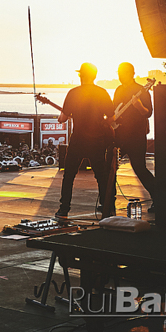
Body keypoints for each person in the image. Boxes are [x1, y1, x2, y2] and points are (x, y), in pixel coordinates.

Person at [56, 63, 116, 218]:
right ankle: (107, 208)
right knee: (101, 176)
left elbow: (63, 118)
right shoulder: (102, 92)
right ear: (94, 76)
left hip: (78, 140)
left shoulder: (73, 93)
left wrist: (60, 117)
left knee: (69, 176)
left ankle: (64, 210)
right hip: (97, 141)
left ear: (80, 75)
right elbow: (112, 117)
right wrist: (101, 122)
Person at [111, 62, 156, 208]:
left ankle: (158, 197)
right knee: (111, 167)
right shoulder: (118, 90)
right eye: (118, 73)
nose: (120, 76)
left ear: (132, 73)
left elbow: (148, 113)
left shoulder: (142, 90)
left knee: (139, 168)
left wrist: (139, 106)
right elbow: (114, 110)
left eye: (122, 73)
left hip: (136, 136)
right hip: (119, 134)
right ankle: (108, 201)